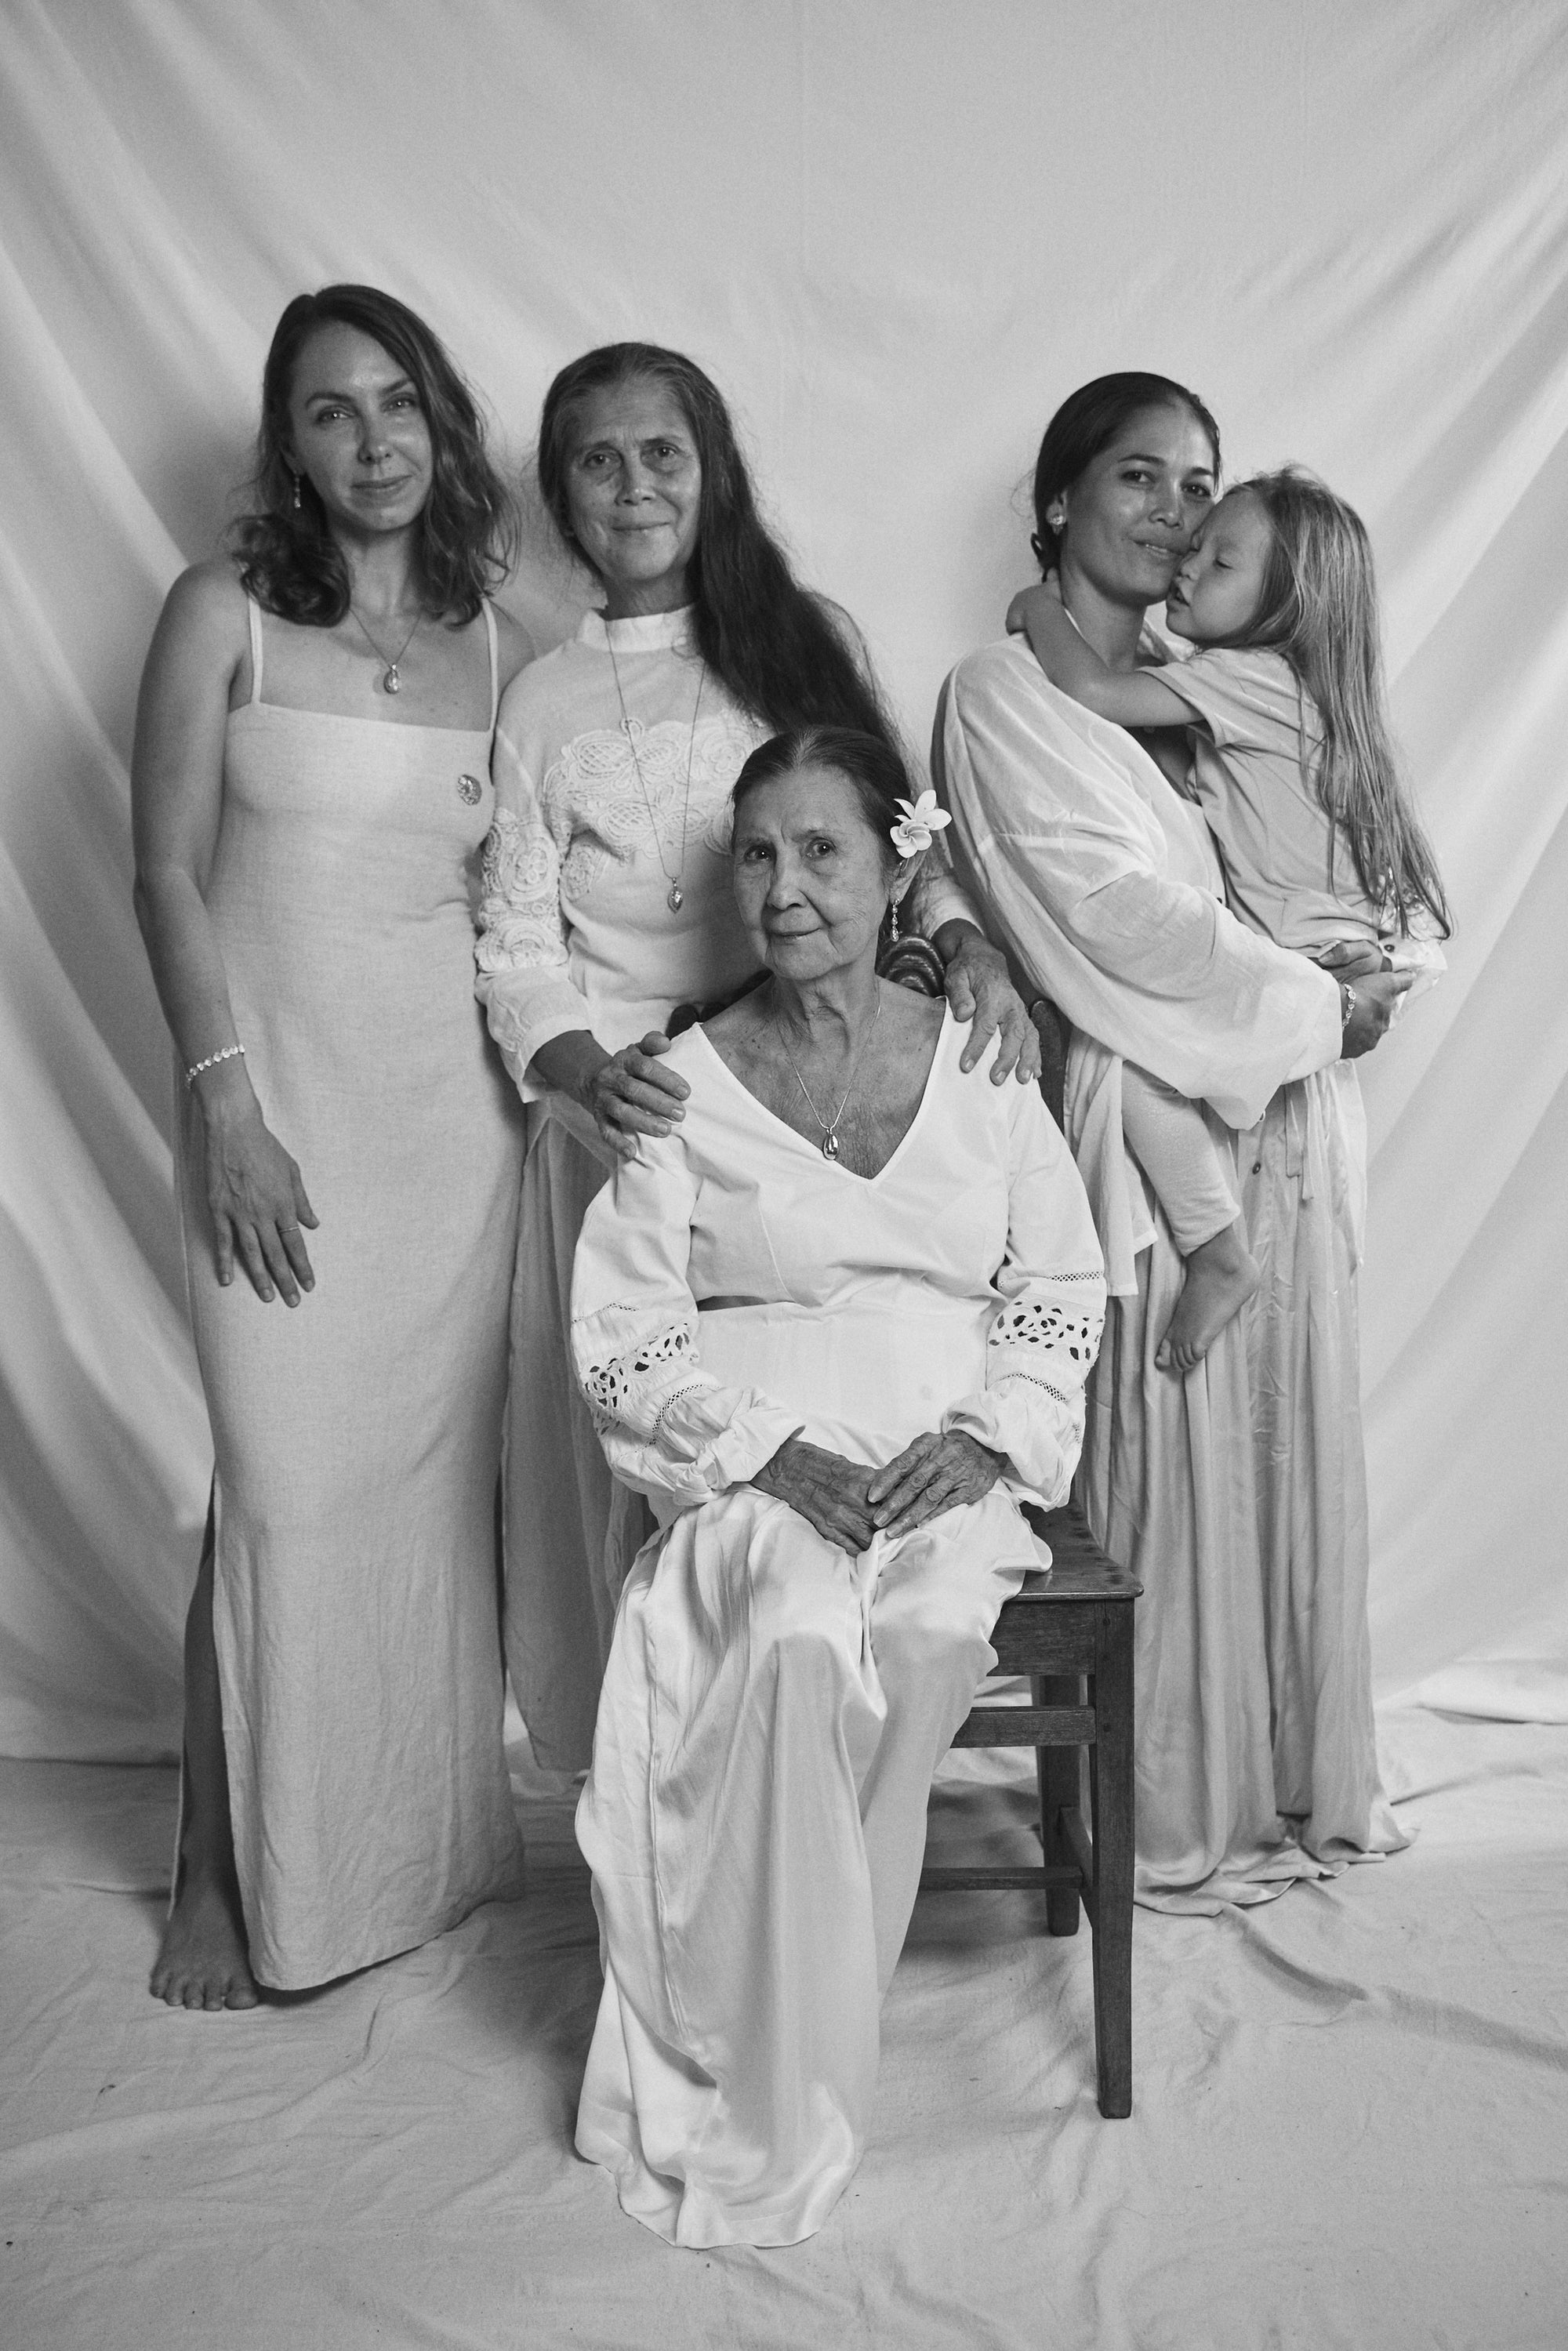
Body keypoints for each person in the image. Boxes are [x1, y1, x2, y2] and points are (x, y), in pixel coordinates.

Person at [568, 727, 1106, 2247]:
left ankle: (805, 2039)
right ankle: (758, 2053)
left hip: (942, 1451)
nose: (785, 885)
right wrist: (757, 1453)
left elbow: (1058, 1280)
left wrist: (995, 1432)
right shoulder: (673, 1083)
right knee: (798, 1642)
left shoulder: (984, 1063)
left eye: (821, 851)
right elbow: (620, 1337)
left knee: (933, 1632)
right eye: (757, 852)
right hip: (761, 1465)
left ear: (894, 874)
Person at [475, 342, 1037, 1774]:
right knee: (643, 1469)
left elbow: (901, 841)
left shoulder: (793, 635)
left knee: (819, 1426)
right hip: (626, 1118)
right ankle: (657, 1782)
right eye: (597, 460)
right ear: (562, 493)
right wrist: (587, 1071)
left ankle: (823, 1753)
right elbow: (515, 944)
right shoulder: (541, 699)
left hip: (795, 1091)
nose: (635, 483)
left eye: (663, 451)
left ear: (712, 465)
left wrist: (966, 947)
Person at [935, 373, 1418, 1913]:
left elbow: (1315, 846)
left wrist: (1347, 980)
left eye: (1195, 484)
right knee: (1181, 1455)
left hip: (1287, 1117)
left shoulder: (1218, 673)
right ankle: (1177, 1789)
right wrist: (944, 919)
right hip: (1149, 1130)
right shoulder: (996, 690)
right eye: (1135, 476)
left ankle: (1294, 1767)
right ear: (1059, 497)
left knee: (1287, 1441)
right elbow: (1107, 915)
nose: (1172, 510)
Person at [133, 285, 532, 2009]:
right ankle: (219, 1872)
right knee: (278, 1492)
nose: (370, 443)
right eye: (328, 413)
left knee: (422, 1505)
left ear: (438, 424)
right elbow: (159, 871)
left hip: (456, 1137)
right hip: (273, 1108)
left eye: (396, 407)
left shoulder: (501, 642)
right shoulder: (219, 611)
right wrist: (224, 1096)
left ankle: (413, 1852)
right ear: (286, 444)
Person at [1007, 464, 1450, 1371]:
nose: (1186, 564)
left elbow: (1091, 692)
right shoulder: (1285, 690)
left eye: (1219, 562)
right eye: (1196, 549)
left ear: (1281, 602)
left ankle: (1214, 1251)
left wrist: (1037, 607)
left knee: (1131, 1063)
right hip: (1341, 954)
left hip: (1309, 962)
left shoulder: (1244, 678)